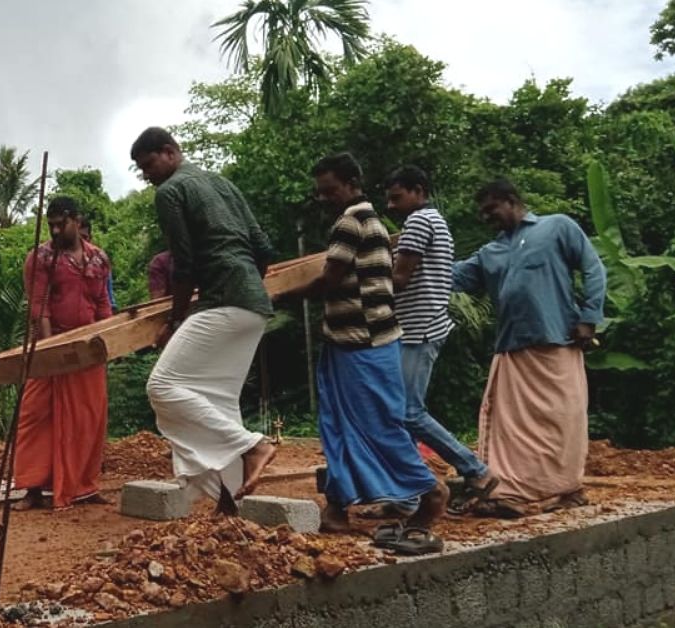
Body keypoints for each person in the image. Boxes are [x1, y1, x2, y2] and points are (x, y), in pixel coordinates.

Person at [282, 153, 447, 544]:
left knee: (377, 426)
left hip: (364, 344)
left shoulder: (352, 221)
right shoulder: (367, 220)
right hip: (350, 342)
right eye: (320, 192)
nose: (323, 198)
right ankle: (337, 507)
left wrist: (276, 297)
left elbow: (328, 280)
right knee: (340, 428)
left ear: (352, 183)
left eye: (330, 190)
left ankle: (432, 493)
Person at [131, 126, 278, 512]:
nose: (147, 176)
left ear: (169, 151)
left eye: (148, 166)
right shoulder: (221, 183)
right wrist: (245, 282)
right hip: (254, 305)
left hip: (223, 301)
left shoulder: (171, 191)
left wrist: (175, 319)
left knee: (162, 386)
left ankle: (254, 445)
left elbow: (185, 264)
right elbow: (263, 247)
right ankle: (227, 504)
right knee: (217, 400)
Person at [452, 179, 606, 518]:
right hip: (512, 349)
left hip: (558, 343)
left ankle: (563, 487)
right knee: (511, 430)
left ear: (510, 201)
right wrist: (414, 258)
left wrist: (590, 318)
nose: (486, 218)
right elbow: (451, 276)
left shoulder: (556, 227)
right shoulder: (489, 253)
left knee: (562, 421)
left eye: (490, 210)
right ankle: (509, 490)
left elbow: (594, 268)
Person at [374, 165, 497, 518]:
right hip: (421, 326)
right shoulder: (434, 222)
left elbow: (398, 279)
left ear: (418, 190)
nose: (391, 205)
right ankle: (408, 495)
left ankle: (476, 470)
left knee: (408, 411)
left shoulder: (419, 223)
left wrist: (357, 277)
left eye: (397, 197)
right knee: (398, 414)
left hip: (419, 328)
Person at [13, 197, 113, 510]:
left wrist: (108, 341)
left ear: (76, 220)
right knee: (36, 416)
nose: (56, 230)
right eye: (51, 224)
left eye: (61, 224)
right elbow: (39, 306)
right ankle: (32, 489)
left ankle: (84, 485)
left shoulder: (98, 259)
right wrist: (50, 351)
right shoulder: (41, 258)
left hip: (88, 351)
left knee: (88, 418)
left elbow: (102, 304)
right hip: (52, 347)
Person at [78, 217, 116, 312]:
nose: (81, 242)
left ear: (90, 238)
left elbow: (109, 297)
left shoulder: (99, 260)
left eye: (84, 237)